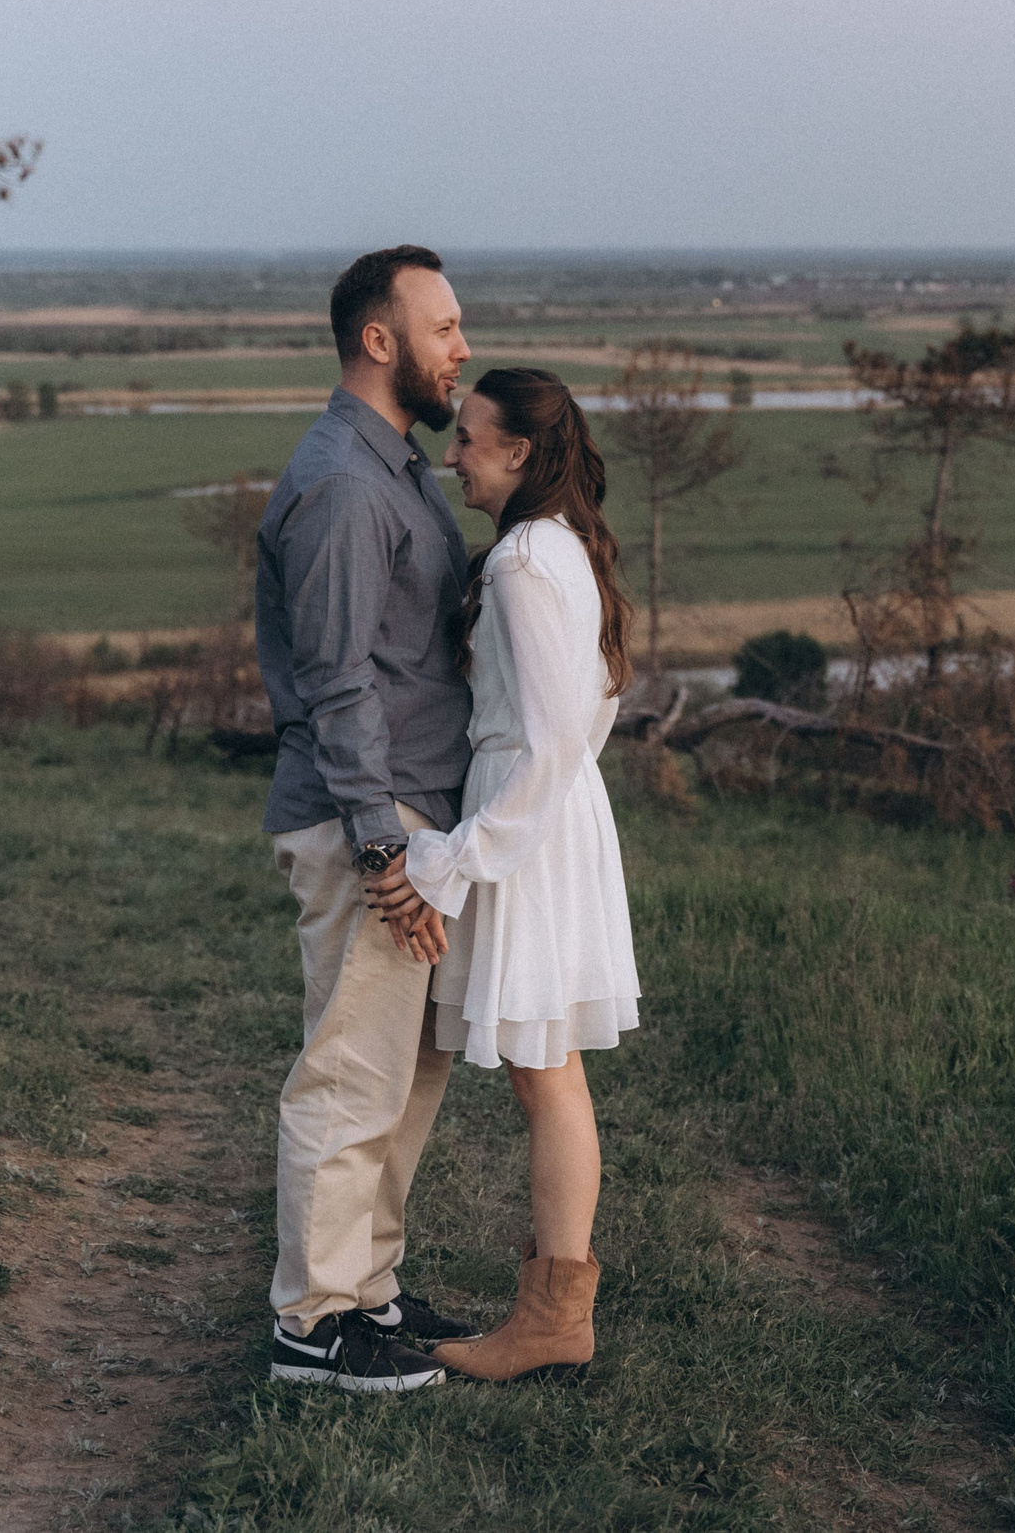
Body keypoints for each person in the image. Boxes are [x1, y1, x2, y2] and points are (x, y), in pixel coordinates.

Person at [366, 365, 641, 1383]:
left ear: (519, 453)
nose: (453, 458)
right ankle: (552, 1311)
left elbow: (554, 735)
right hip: (548, 817)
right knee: (548, 1070)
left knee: (546, 1072)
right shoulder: (562, 545)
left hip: (524, 824)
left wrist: (453, 858)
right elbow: (592, 712)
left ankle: (554, 1319)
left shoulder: (525, 561)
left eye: (470, 441)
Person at [255, 245, 483, 1393]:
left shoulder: (399, 468)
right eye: (443, 328)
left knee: (407, 1072)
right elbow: (338, 680)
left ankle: (368, 1290)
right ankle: (312, 1323)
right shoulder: (346, 482)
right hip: (370, 818)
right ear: (379, 341)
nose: (462, 349)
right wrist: (383, 844)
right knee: (351, 1072)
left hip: (413, 819)